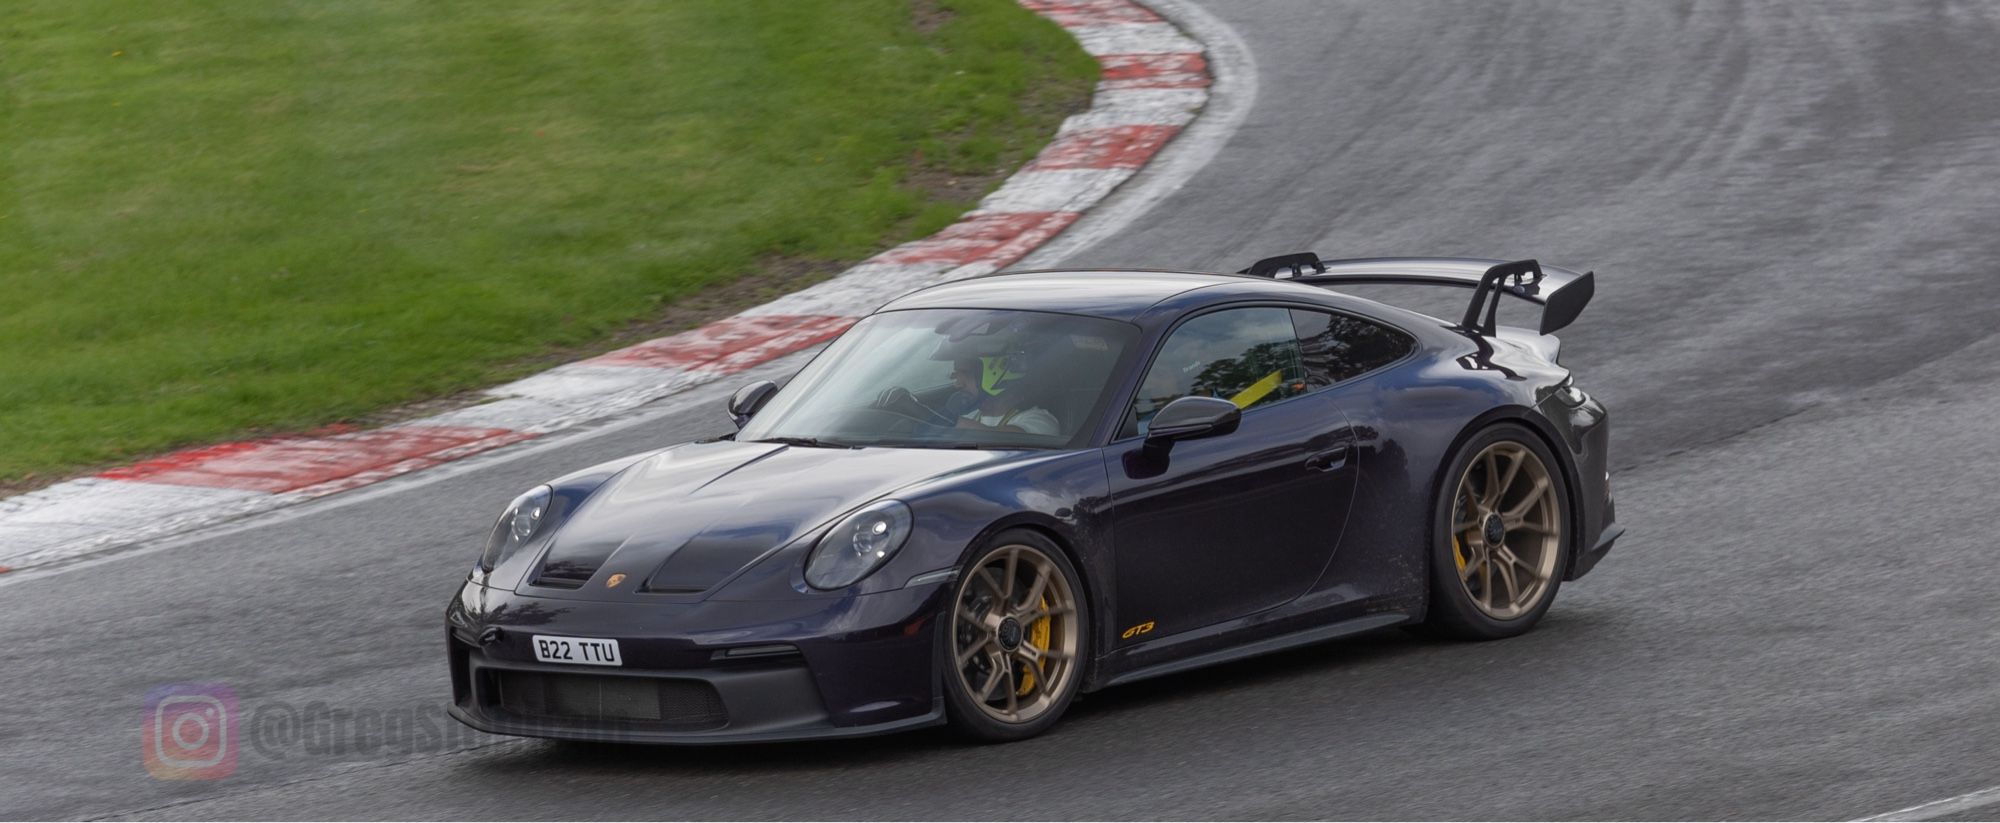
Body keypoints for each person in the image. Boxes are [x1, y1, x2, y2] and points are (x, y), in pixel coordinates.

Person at [949, 356, 1060, 436]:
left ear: (996, 374)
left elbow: (1010, 440)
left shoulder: (1041, 421)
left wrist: (949, 421)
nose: (957, 384)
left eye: (966, 373)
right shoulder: (971, 417)